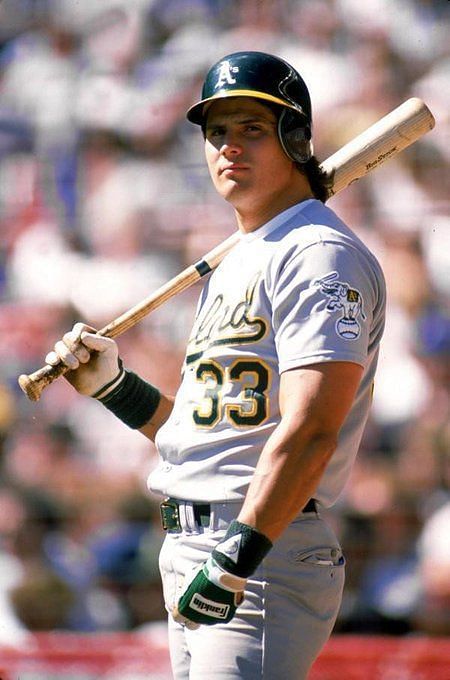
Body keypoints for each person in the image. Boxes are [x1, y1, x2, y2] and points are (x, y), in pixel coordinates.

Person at [45, 51, 386, 679]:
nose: (229, 146)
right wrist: (115, 388)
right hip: (200, 542)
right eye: (217, 132)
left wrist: (238, 557)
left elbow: (313, 430)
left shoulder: (316, 253)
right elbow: (213, 439)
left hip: (260, 549)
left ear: (295, 138)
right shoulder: (240, 258)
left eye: (252, 128)